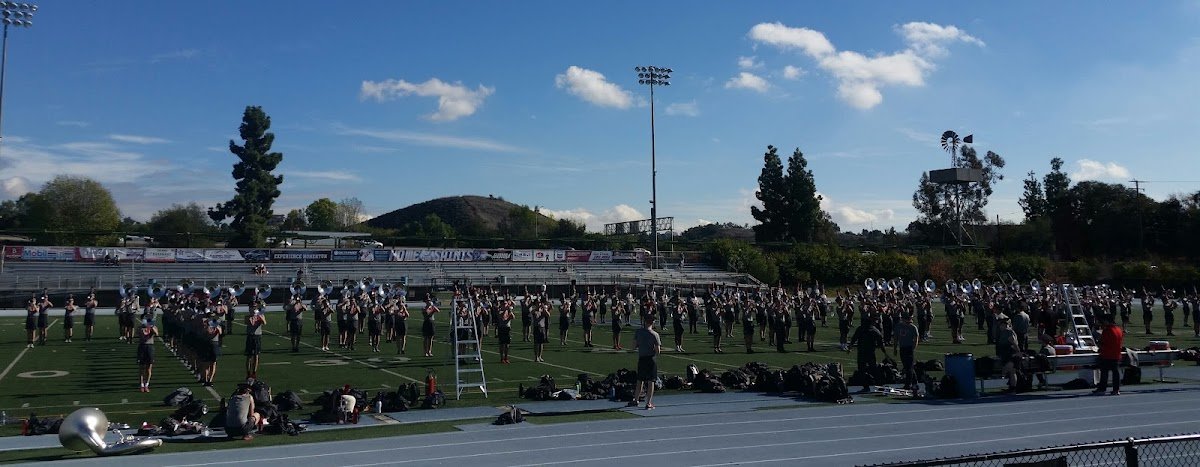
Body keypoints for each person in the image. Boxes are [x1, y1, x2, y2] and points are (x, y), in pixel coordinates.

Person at [629, 314, 661, 410]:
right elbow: (658, 351)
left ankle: (636, 399)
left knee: (640, 380)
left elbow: (634, 346)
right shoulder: (655, 334)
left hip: (642, 358)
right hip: (651, 359)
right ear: (652, 322)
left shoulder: (638, 332)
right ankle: (649, 403)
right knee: (651, 381)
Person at [848, 318, 886, 393]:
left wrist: (850, 346)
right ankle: (879, 385)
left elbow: (854, 338)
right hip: (870, 353)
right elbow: (880, 341)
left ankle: (867, 386)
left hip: (862, 352)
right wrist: (883, 351)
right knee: (873, 369)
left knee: (862, 370)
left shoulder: (861, 329)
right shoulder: (874, 330)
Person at [1094, 315, 1124, 396]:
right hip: (1116, 354)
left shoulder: (1107, 330)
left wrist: (1098, 343)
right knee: (1115, 373)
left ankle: (1102, 388)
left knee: (1104, 373)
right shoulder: (1119, 330)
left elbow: (1102, 343)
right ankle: (1116, 389)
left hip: (1107, 354)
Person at [894, 314, 919, 390]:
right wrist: (895, 348)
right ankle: (915, 381)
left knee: (909, 367)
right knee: (907, 366)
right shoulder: (898, 326)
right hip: (902, 348)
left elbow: (916, 338)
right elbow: (896, 338)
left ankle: (908, 384)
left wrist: (913, 347)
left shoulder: (912, 327)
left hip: (909, 348)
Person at [137, 318, 159, 392]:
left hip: (150, 347)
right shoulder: (140, 328)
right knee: (141, 367)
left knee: (149, 367)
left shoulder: (153, 327)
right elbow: (143, 336)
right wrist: (145, 329)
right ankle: (141, 384)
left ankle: (147, 384)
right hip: (142, 347)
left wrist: (152, 328)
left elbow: (157, 334)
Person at [245, 308, 266, 379]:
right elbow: (251, 324)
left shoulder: (261, 315)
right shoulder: (248, 317)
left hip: (258, 336)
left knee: (256, 355)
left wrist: (260, 317)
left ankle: (254, 372)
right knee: (249, 356)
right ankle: (248, 373)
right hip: (250, 336)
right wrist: (253, 318)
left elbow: (264, 323)